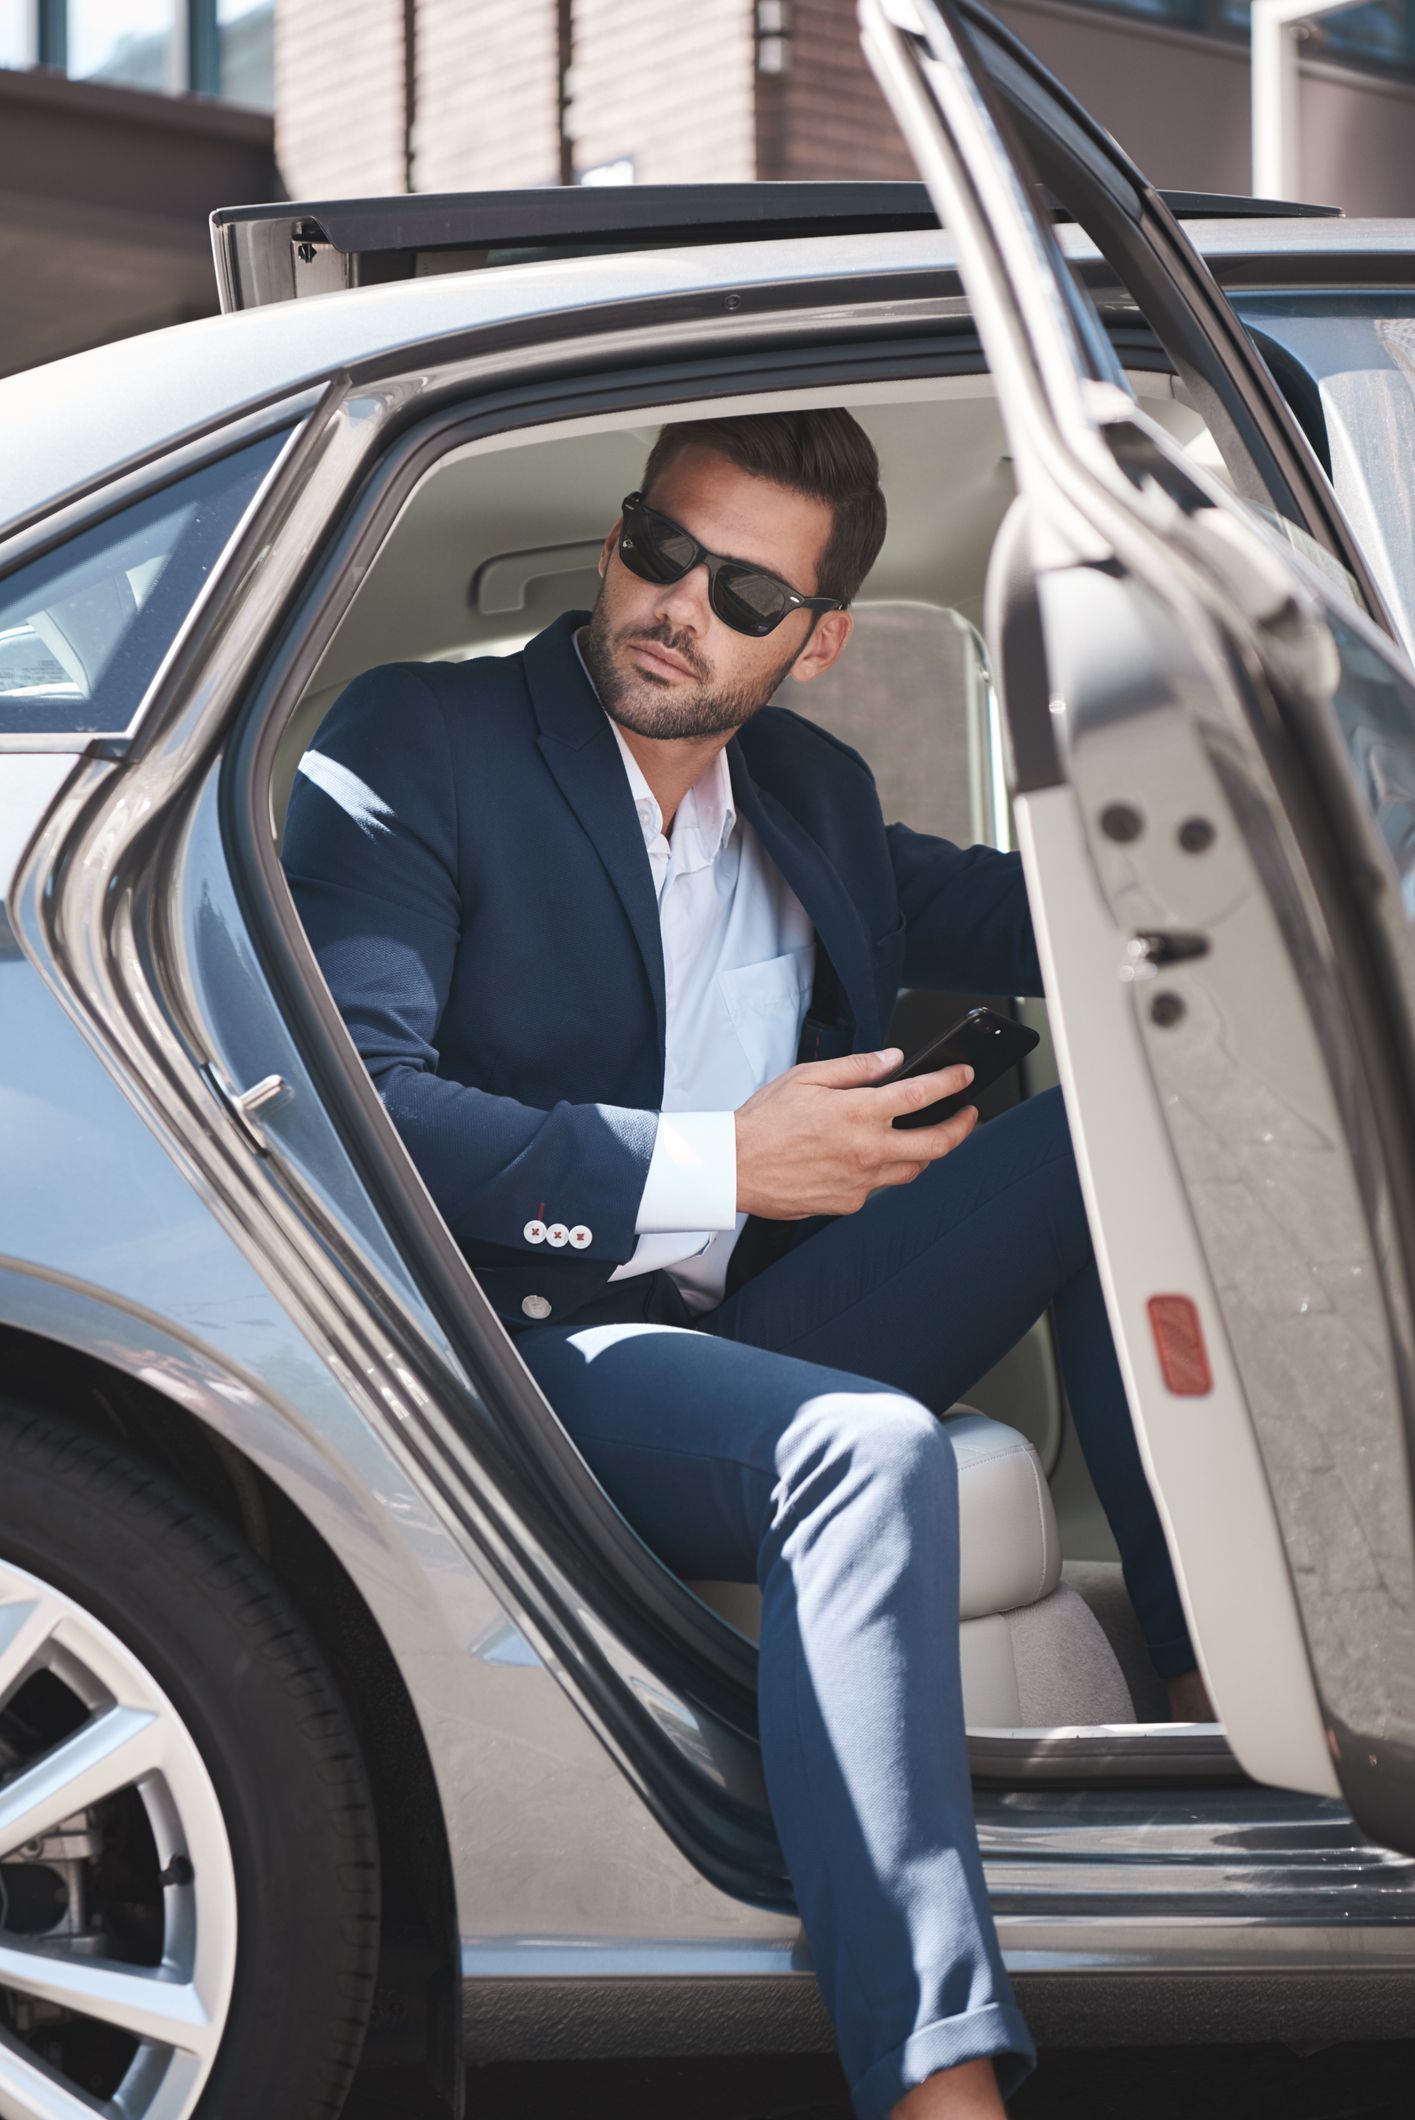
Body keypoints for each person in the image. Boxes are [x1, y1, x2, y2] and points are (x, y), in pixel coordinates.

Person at [283, 408, 1211, 2118]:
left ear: (817, 638)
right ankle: (938, 2084)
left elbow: (1053, 910)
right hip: (526, 1345)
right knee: (862, 1446)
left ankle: (1197, 1697)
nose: (674, 606)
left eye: (742, 592)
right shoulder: (422, 739)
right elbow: (366, 1117)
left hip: (766, 1314)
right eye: (657, 548)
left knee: (1126, 1130)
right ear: (621, 534)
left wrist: (1290, 830)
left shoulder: (813, 791)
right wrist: (724, 1161)